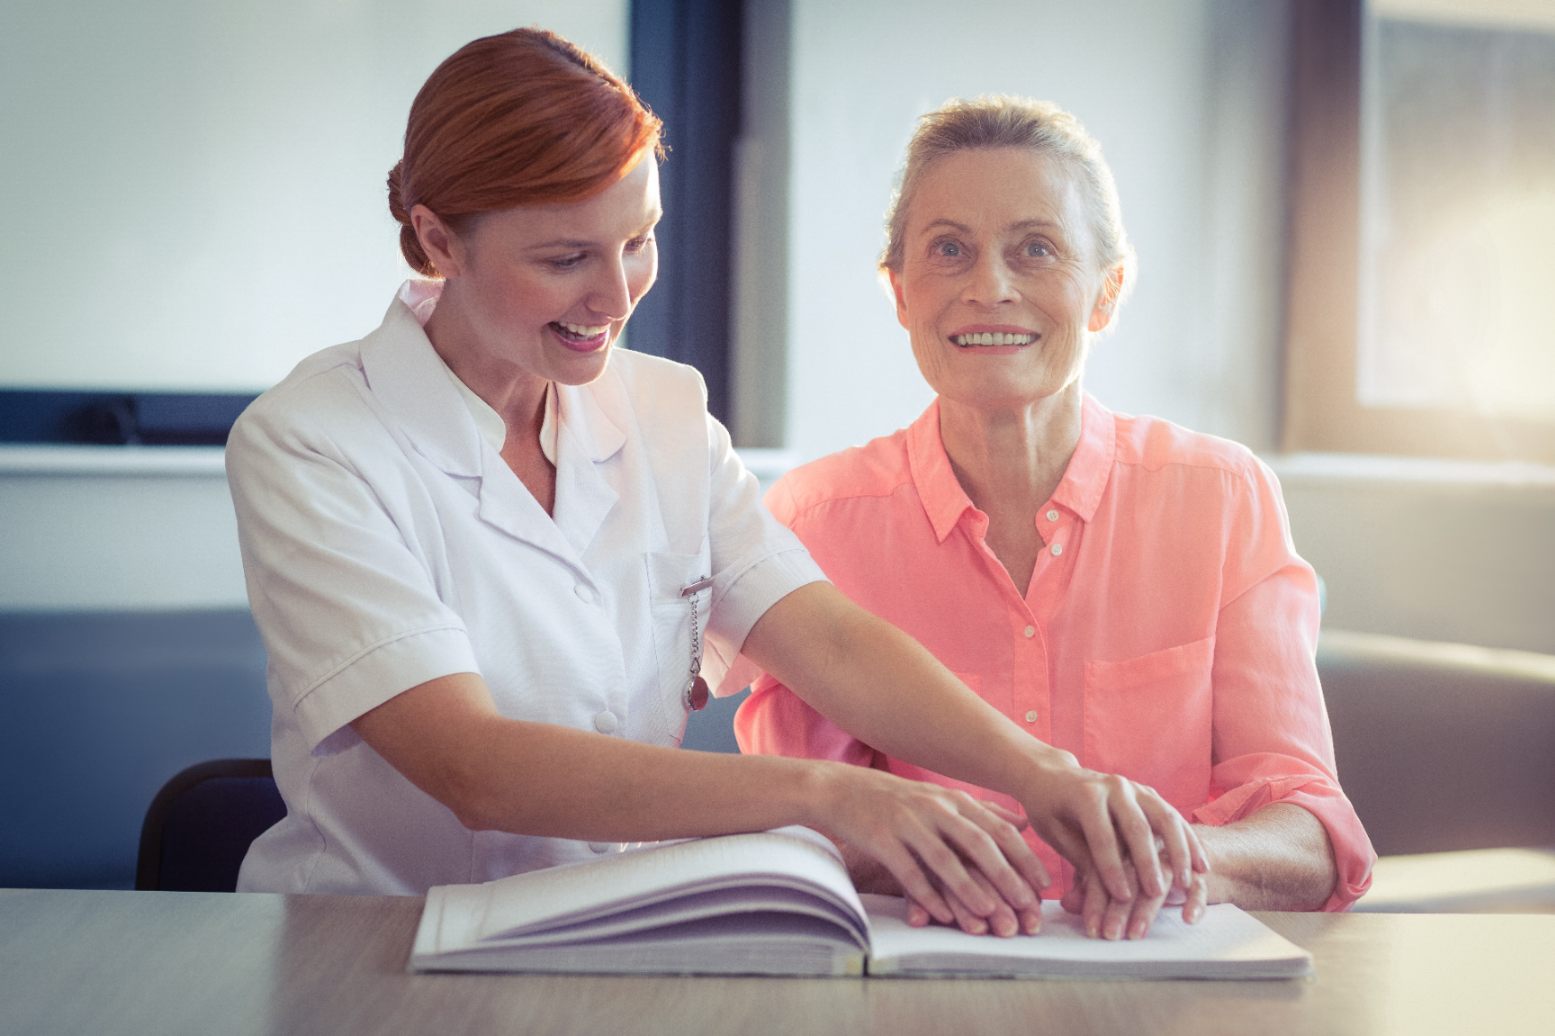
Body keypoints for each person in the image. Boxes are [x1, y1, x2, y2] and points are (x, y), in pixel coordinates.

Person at [225, 30, 1205, 936]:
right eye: (566, 258)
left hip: (619, 943)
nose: (615, 298)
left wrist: (1042, 776)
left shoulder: (663, 413)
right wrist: (827, 797)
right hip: (374, 952)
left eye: (638, 239)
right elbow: (471, 763)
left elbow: (819, 634)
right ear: (440, 243)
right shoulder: (313, 442)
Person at [736, 96, 1375, 941]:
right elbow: (802, 825)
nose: (988, 287)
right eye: (948, 251)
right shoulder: (810, 521)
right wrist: (927, 860)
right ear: (899, 293)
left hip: (1170, 986)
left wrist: (1176, 859)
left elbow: (1312, 832)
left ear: (1105, 294)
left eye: (1035, 249)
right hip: (920, 979)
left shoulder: (1222, 497)